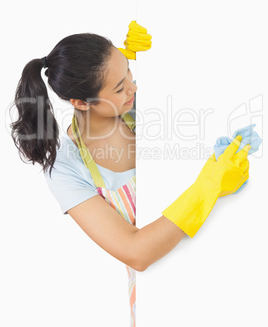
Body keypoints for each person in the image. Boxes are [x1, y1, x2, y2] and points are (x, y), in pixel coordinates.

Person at [10, 31, 251, 327]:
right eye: (120, 87)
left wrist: (161, 45)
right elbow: (136, 253)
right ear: (82, 102)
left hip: (233, 271)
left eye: (130, 71)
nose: (134, 88)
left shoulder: (146, 106)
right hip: (166, 296)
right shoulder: (65, 168)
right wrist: (209, 185)